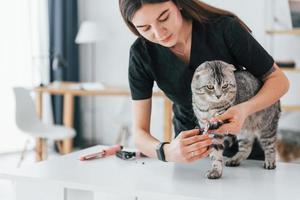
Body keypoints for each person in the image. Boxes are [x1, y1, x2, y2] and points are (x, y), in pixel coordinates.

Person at [119, 0, 289, 163]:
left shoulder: (224, 29)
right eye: (145, 28)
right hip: (190, 156)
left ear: (178, 3)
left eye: (164, 17)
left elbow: (279, 80)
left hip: (247, 150)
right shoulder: (141, 54)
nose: (159, 33)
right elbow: (140, 135)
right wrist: (167, 151)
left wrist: (244, 110)